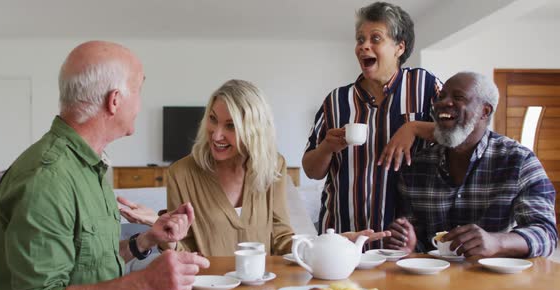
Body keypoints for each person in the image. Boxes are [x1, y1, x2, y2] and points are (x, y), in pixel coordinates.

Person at [0, 41, 209, 290]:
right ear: (114, 101)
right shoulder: (46, 181)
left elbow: (85, 264)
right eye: (139, 90)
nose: (141, 104)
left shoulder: (88, 167)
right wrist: (145, 281)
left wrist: (146, 240)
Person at [118, 79, 390, 256]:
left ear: (254, 130)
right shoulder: (181, 173)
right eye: (213, 120)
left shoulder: (274, 166)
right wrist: (161, 230)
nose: (215, 135)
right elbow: (181, 247)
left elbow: (282, 239)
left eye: (231, 126)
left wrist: (332, 245)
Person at [302, 2, 440, 248]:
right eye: (360, 39)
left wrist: (414, 128)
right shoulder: (335, 101)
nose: (363, 46)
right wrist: (326, 148)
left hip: (407, 242)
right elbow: (311, 171)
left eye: (375, 38)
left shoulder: (425, 85)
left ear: (399, 47)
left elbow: (460, 135)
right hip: (342, 238)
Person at [385, 71, 558, 258]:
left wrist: (496, 242)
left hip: (496, 283)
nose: (443, 102)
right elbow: (417, 239)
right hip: (433, 281)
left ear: (485, 111)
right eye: (441, 97)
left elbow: (546, 234)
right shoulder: (416, 167)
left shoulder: (519, 161)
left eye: (458, 97)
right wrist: (409, 244)